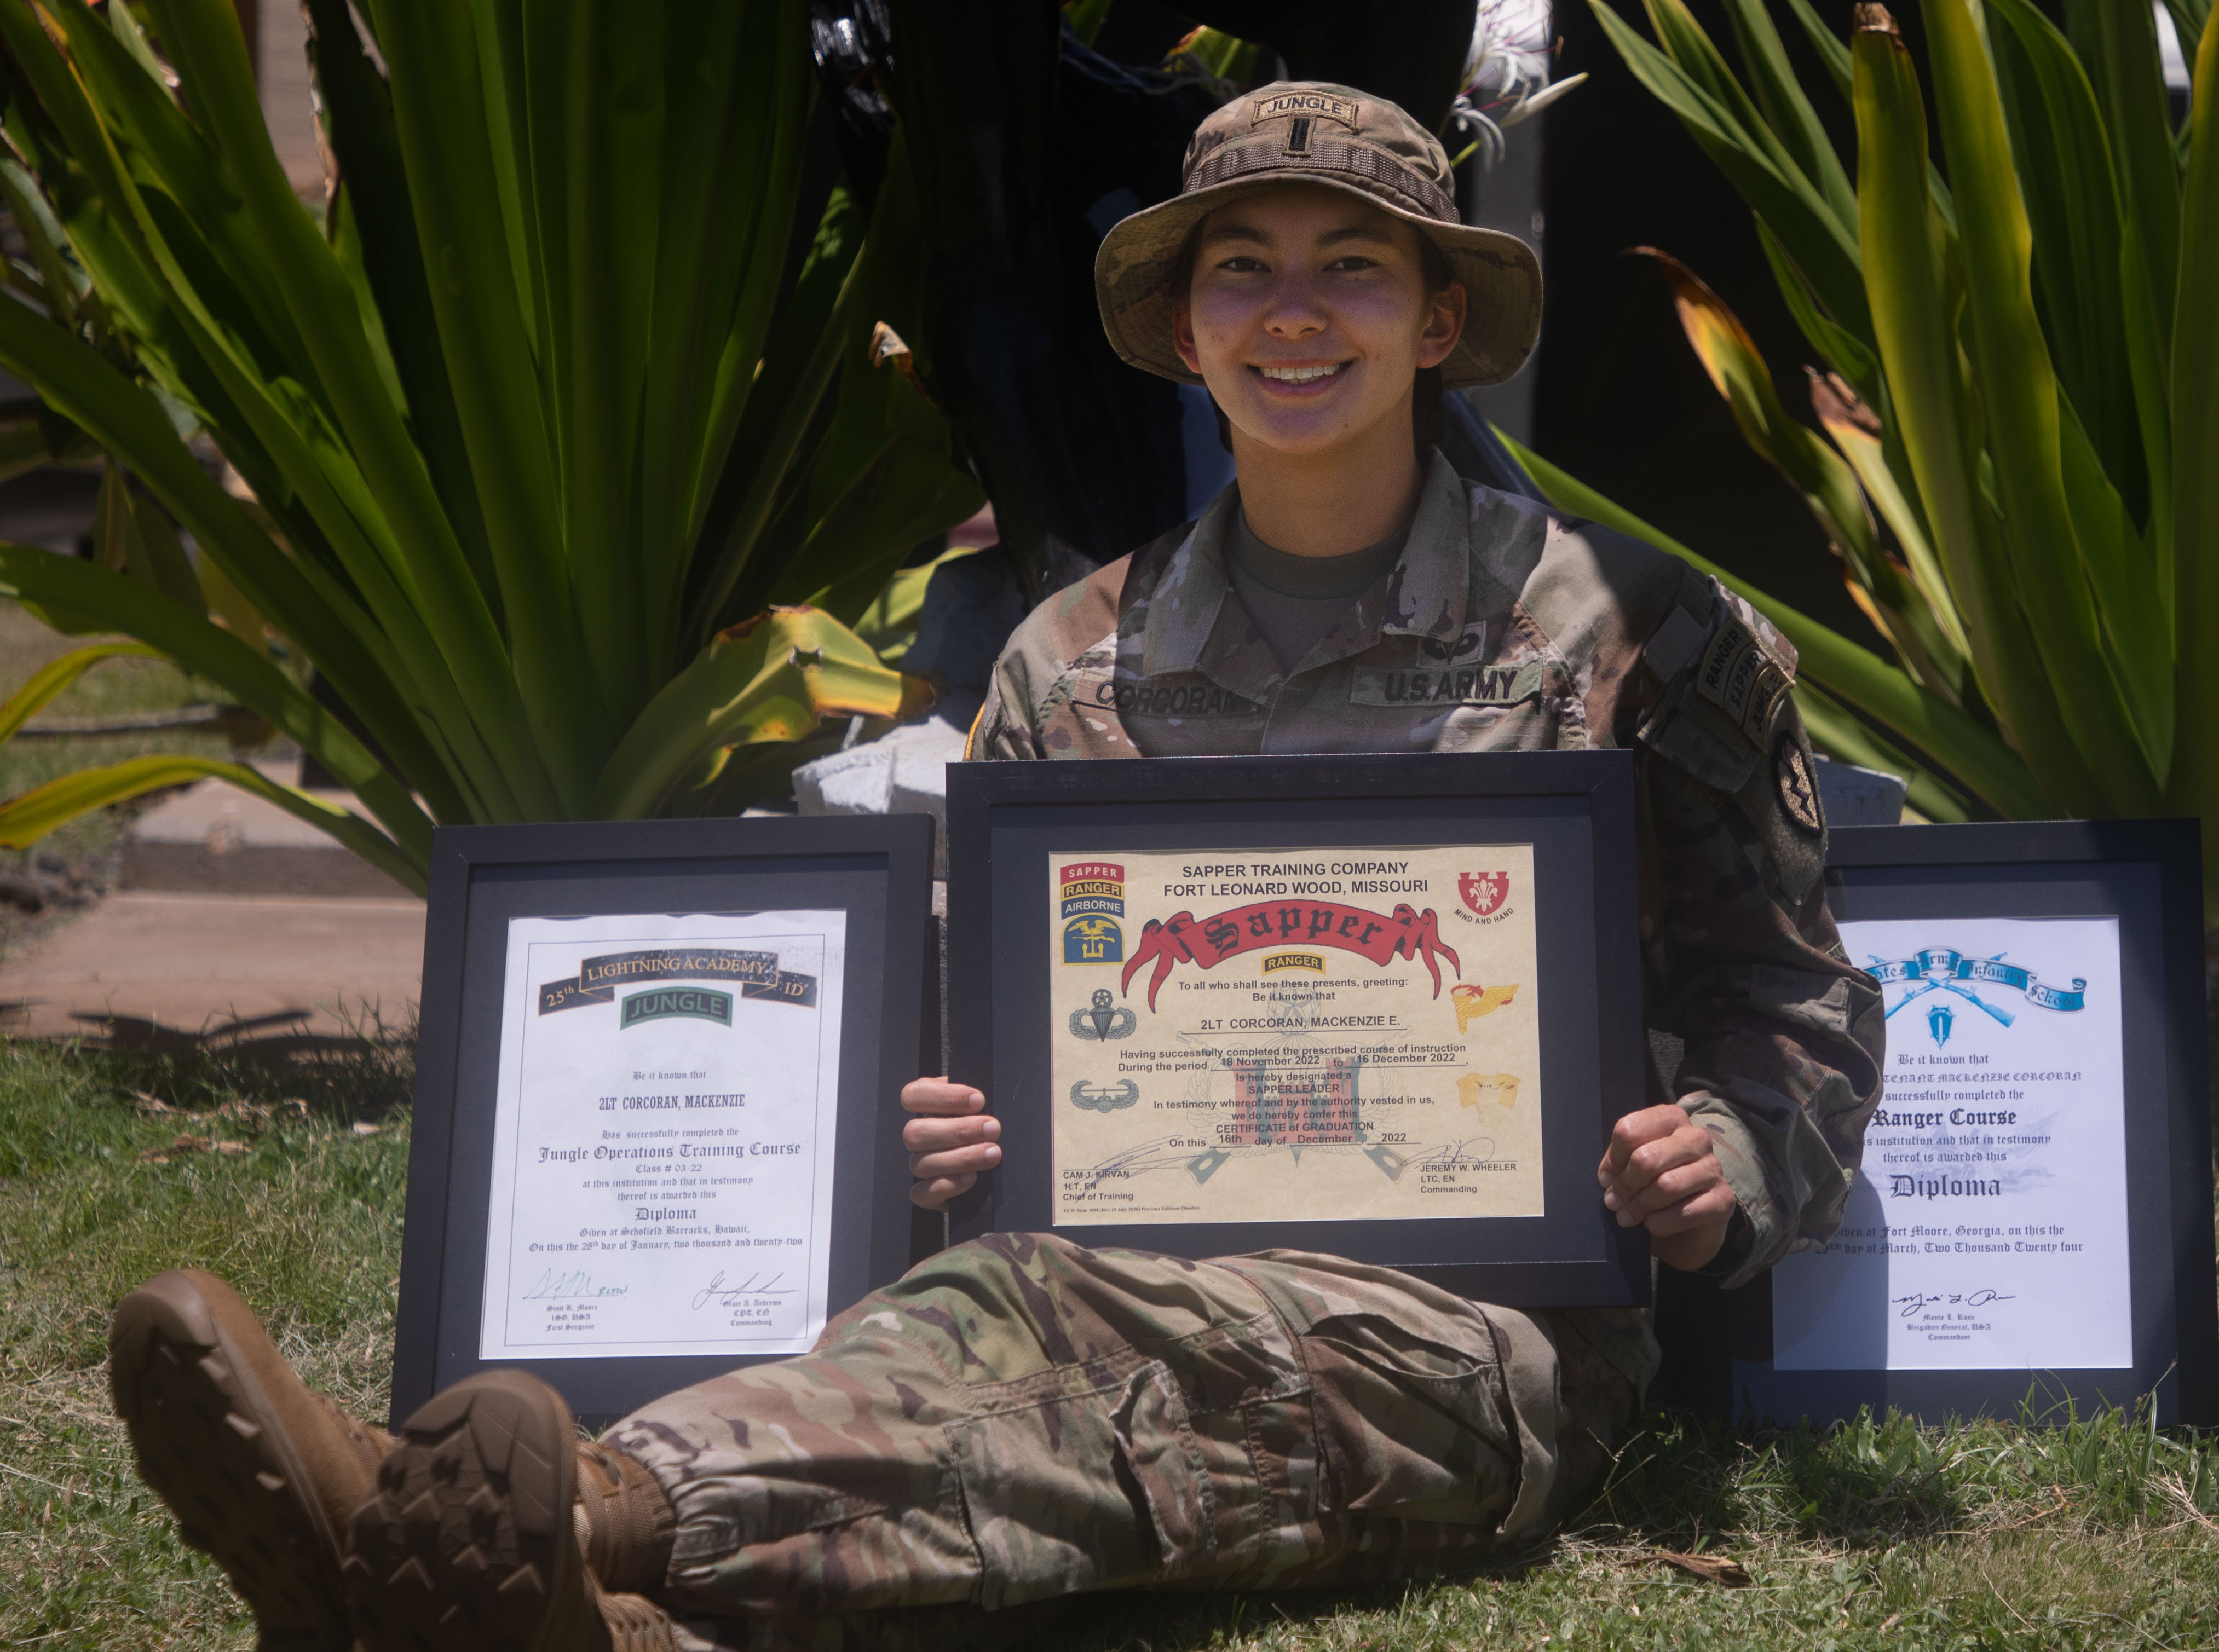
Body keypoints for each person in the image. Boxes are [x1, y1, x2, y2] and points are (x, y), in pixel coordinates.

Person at [108, 84, 1882, 1652]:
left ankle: (537, 1507)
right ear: (1186, 333)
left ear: (1438, 318)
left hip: (1487, 1332)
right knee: (985, 1316)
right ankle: (589, 1597)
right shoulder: (1065, 661)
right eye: (1239, 270)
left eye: (1352, 265)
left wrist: (1721, 1153)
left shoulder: (1640, 628)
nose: (1293, 314)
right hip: (1092, 1262)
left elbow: (1794, 1002)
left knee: (1115, 1356)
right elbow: (999, 1040)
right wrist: (948, 1125)